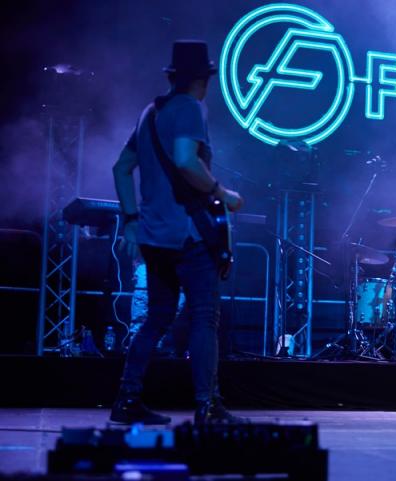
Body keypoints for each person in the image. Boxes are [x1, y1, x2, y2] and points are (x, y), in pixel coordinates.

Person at [110, 40, 245, 424]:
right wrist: (222, 193)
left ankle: (127, 400)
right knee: (204, 317)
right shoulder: (189, 108)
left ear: (172, 75)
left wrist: (131, 220)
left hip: (154, 235)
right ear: (204, 79)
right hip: (188, 234)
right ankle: (208, 405)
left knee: (157, 317)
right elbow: (186, 161)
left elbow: (121, 168)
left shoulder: (150, 113)